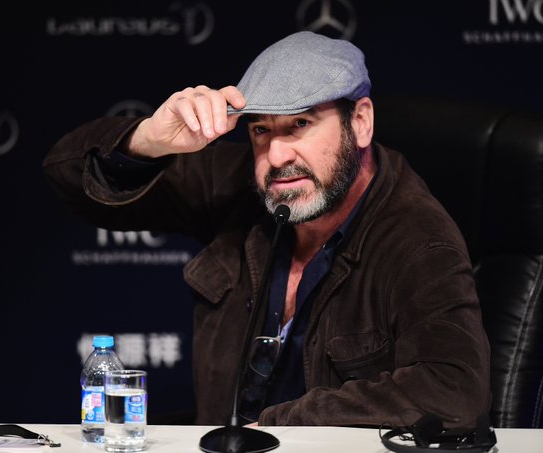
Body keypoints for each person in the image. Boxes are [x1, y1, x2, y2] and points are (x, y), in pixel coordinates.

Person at [43, 31, 491, 429]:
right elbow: (64, 172)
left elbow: (454, 392)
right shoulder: (243, 182)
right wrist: (149, 141)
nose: (277, 156)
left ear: (360, 122)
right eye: (260, 130)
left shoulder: (418, 238)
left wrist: (280, 425)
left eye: (300, 124)